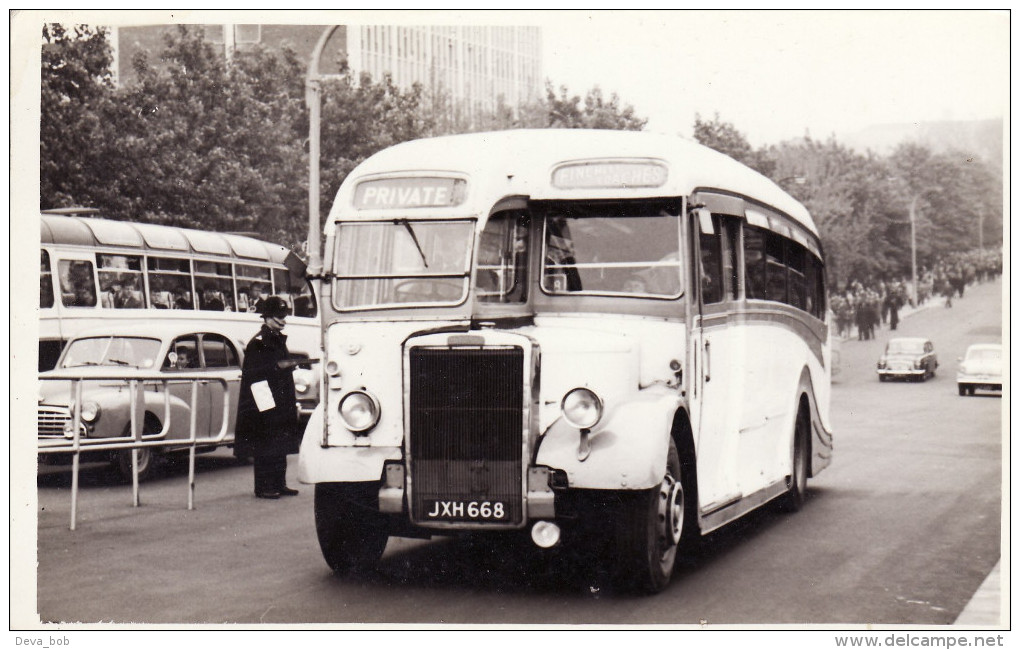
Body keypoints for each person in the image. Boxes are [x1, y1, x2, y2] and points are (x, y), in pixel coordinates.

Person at [234, 296, 302, 499]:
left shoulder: (277, 339)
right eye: (279, 317)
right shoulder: (258, 342)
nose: (283, 320)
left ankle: (279, 483)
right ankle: (263, 486)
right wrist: (266, 405)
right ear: (267, 318)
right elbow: (254, 375)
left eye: (284, 316)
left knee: (279, 442)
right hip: (265, 399)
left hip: (281, 399)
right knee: (265, 443)